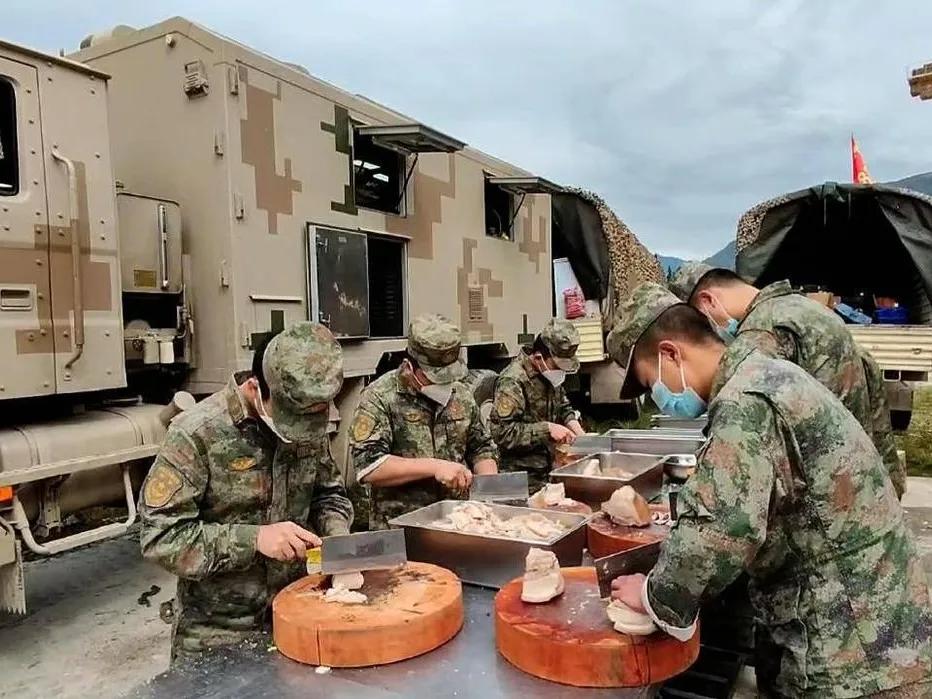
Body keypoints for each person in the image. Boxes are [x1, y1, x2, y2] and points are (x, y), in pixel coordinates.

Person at [606, 283, 931, 698]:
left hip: (855, 647)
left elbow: (720, 531)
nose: (658, 400)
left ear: (671, 353)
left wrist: (655, 595)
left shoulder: (747, 400)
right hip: (877, 625)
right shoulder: (766, 373)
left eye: (651, 383)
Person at [138, 323, 353, 663]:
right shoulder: (197, 434)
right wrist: (254, 540)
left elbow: (329, 494)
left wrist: (338, 538)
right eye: (290, 420)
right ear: (256, 387)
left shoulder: (308, 424)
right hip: (218, 633)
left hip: (299, 613)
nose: (298, 434)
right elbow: (161, 537)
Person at [669, 262, 904, 499]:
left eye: (701, 325)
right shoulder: (804, 308)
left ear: (708, 301)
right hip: (863, 480)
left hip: (829, 493)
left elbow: (743, 427)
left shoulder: (763, 331)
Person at [350, 314, 498, 529]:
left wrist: (488, 492)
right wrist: (435, 467)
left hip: (457, 523)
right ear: (409, 366)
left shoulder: (461, 394)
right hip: (402, 528)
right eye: (435, 377)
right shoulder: (380, 397)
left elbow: (481, 447)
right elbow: (369, 467)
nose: (445, 384)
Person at [489, 318, 584, 491]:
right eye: (557, 366)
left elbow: (563, 407)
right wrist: (547, 429)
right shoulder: (513, 381)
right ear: (539, 357)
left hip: (549, 469)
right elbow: (501, 433)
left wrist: (578, 431)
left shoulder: (550, 374)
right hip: (522, 477)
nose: (561, 372)